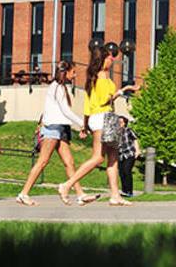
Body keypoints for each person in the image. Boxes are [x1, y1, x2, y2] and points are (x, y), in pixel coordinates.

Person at [58, 44, 139, 206]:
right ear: (103, 59)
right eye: (110, 57)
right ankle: (67, 185)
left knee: (113, 158)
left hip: (98, 118)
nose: (112, 60)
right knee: (98, 158)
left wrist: (86, 125)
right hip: (104, 118)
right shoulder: (102, 78)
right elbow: (105, 101)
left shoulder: (93, 77)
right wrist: (122, 91)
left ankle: (115, 195)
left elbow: (88, 105)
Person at [16, 61, 99, 206]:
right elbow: (65, 111)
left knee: (69, 163)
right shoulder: (56, 88)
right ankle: (23, 194)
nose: (75, 75)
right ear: (65, 72)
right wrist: (84, 124)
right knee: (43, 161)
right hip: (53, 129)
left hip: (60, 128)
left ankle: (80, 194)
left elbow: (59, 112)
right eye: (73, 72)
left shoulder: (60, 87)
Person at [117, 116, 141, 197]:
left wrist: (137, 150)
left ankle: (129, 191)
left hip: (129, 153)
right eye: (118, 122)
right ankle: (124, 191)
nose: (119, 124)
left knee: (127, 171)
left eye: (121, 122)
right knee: (121, 173)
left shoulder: (128, 130)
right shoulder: (115, 132)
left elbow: (135, 139)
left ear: (124, 123)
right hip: (120, 155)